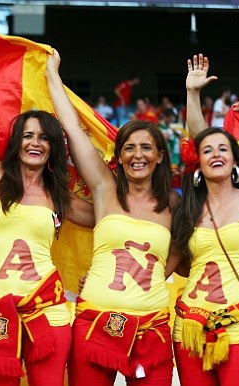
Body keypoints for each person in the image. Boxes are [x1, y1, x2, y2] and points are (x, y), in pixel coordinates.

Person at [0, 34, 94, 386]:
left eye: (43, 137)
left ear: (52, 148)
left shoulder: (59, 195)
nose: (35, 143)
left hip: (48, 311)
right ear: (16, 142)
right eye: (28, 136)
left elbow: (104, 219)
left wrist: (52, 76)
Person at [46, 49, 179, 386]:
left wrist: (154, 276)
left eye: (146, 147)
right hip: (95, 322)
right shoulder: (104, 189)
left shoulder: (174, 203)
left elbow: (184, 246)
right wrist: (51, 74)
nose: (138, 154)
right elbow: (74, 132)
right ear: (118, 157)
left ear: (160, 156)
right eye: (129, 148)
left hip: (153, 329)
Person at [169, 53, 239, 386]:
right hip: (188, 327)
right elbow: (165, 265)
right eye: (208, 151)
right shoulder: (187, 209)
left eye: (224, 150)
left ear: (236, 162)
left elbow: (207, 141)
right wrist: (192, 94)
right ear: (198, 164)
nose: (215, 154)